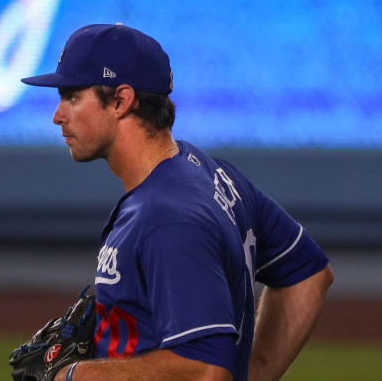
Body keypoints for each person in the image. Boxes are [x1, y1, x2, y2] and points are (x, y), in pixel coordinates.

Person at [21, 23, 333, 381]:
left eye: (73, 97)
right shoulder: (212, 174)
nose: (58, 115)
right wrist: (254, 373)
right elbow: (307, 273)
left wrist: (73, 375)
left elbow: (204, 371)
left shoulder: (167, 217)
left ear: (121, 100)